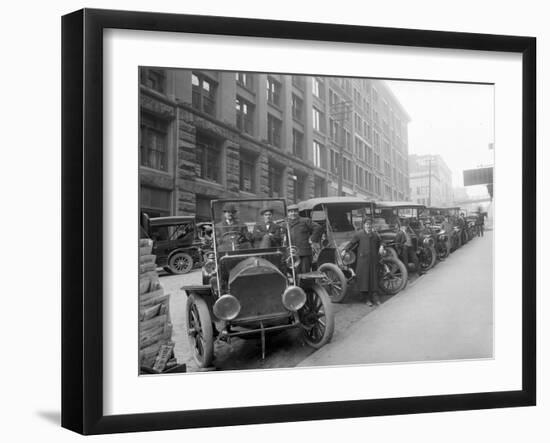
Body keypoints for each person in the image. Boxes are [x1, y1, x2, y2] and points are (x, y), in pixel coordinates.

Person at [344, 218, 382, 306]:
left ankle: (375, 298)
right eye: (367, 224)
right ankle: (367, 299)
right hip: (363, 261)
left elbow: (381, 242)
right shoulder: (359, 234)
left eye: (370, 224)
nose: (368, 226)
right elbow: (351, 243)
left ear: (372, 225)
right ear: (364, 225)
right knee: (364, 280)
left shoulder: (375, 235)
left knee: (373, 279)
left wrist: (382, 246)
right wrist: (345, 250)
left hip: (373, 261)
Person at [286, 204, 322, 274]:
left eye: (295, 211)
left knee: (305, 273)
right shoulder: (286, 223)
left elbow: (318, 227)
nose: (293, 213)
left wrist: (312, 239)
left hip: (304, 252)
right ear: (288, 213)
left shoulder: (305, 220)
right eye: (291, 212)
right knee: (293, 272)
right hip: (291, 252)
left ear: (298, 212)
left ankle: (307, 285)